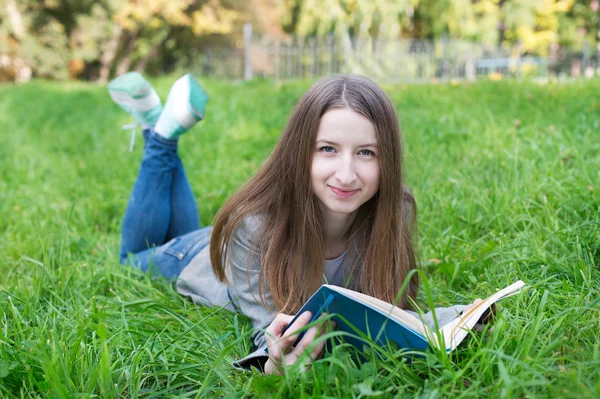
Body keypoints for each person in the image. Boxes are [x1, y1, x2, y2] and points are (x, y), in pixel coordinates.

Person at [108, 72, 483, 374]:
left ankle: (163, 127)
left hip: (226, 242)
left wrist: (461, 317)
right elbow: (267, 332)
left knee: (177, 225)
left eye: (366, 152)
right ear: (299, 152)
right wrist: (274, 361)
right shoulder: (253, 228)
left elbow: (390, 314)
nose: (347, 174)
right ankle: (158, 136)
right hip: (197, 256)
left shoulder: (392, 209)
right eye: (328, 149)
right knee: (135, 257)